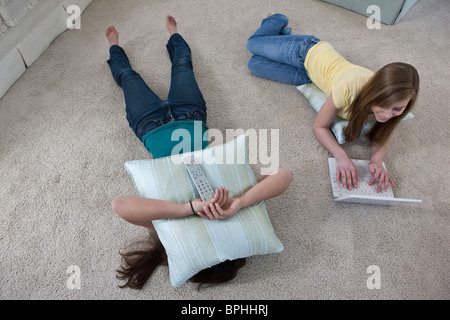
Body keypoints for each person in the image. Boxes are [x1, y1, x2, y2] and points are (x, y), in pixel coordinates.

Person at [107, 15, 293, 289]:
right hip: (190, 114)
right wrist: (239, 204)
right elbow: (284, 175)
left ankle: (114, 46)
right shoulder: (234, 205)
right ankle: (173, 33)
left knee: (128, 76)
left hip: (149, 124)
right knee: (182, 65)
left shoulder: (170, 224)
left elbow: (119, 205)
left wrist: (190, 209)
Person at [246, 13, 419, 192]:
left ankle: (281, 38)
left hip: (308, 77)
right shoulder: (349, 86)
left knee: (254, 64)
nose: (387, 115)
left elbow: (382, 135)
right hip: (306, 51)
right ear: (375, 92)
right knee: (251, 44)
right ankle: (278, 19)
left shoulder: (393, 106)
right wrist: (341, 156)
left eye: (397, 109)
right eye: (383, 106)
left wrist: (377, 160)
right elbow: (319, 127)